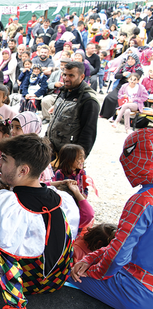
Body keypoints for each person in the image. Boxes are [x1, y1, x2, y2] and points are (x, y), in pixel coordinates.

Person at [0, 134, 80, 309]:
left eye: (5, 159)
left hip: (27, 282)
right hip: (57, 280)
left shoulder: (9, 203)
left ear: (23, 170)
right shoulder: (62, 200)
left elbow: (6, 249)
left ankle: (15, 303)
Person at [70, 129, 153, 309]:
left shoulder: (144, 200)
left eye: (129, 152)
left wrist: (92, 270)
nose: (124, 159)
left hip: (137, 291)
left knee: (69, 276)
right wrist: (91, 257)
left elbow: (118, 255)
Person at [47, 61, 100, 157]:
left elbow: (88, 132)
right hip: (51, 150)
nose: (66, 79)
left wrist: (78, 158)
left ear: (82, 77)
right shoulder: (64, 91)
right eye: (64, 75)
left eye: (71, 76)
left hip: (68, 155)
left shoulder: (88, 100)